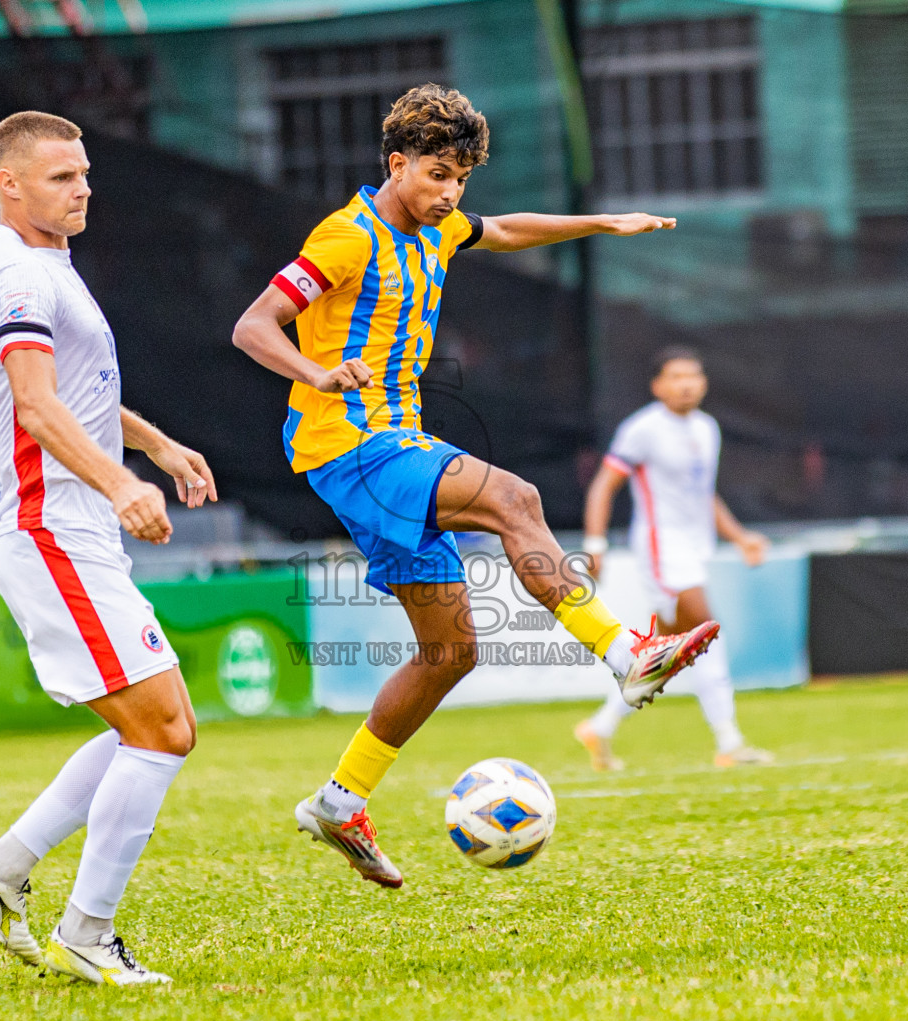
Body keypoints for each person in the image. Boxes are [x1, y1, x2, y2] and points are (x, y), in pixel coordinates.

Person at [232, 84, 718, 889]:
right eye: (437, 175)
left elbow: (507, 229)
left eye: (460, 179)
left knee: (451, 650)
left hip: (385, 447)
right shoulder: (347, 237)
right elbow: (253, 325)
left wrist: (603, 223)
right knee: (515, 499)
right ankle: (627, 652)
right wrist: (316, 372)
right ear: (397, 164)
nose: (450, 194)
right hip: (351, 443)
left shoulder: (440, 226)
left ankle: (339, 800)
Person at [0, 111, 218, 986]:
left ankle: (4, 868)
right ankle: (87, 933)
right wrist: (119, 482)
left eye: (86, 173)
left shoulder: (43, 268)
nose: (84, 189)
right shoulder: (18, 278)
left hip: (71, 532)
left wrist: (157, 445)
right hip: (52, 529)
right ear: (10, 183)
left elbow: (77, 394)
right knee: (163, 729)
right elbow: (35, 405)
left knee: (157, 724)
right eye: (62, 177)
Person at [575, 348, 773, 771]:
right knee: (706, 632)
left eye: (693, 375)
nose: (686, 384)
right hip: (661, 551)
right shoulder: (642, 429)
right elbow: (603, 486)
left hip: (693, 551)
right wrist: (595, 543)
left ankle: (601, 726)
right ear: (657, 385)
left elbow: (703, 496)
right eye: (676, 376)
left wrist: (740, 537)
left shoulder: (707, 428)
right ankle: (729, 742)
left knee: (666, 655)